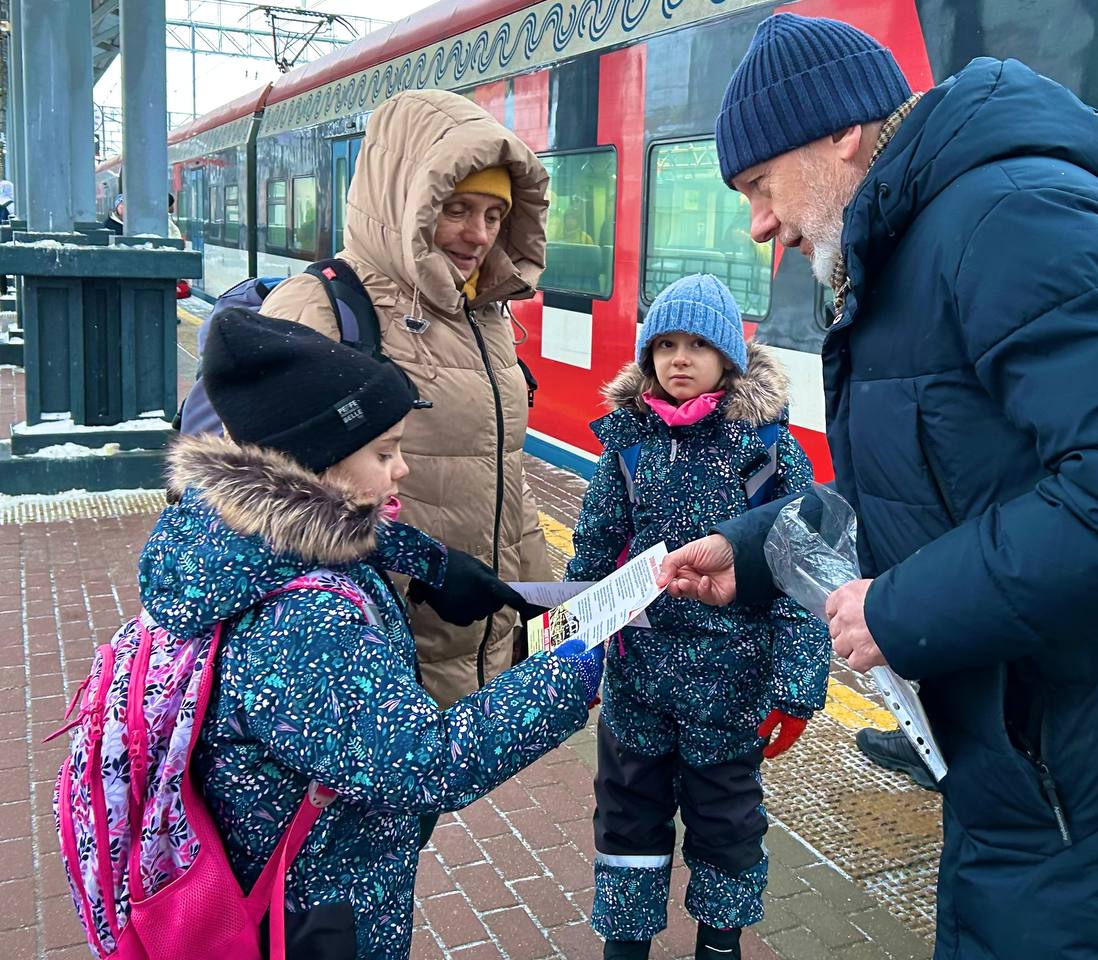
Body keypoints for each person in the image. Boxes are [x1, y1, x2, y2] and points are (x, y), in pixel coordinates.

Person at [660, 13, 1098, 958]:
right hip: (1040, 768)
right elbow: (918, 486)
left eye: (759, 185)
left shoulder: (1008, 217)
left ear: (841, 133)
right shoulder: (916, 242)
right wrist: (749, 553)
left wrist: (902, 611)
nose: (759, 225)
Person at [140, 308, 603, 960]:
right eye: (384, 453)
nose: (402, 469)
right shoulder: (303, 630)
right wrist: (576, 666)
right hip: (316, 915)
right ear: (316, 469)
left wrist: (435, 565)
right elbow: (427, 762)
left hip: (306, 877)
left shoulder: (245, 537)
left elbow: (329, 538)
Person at [261, 89, 554, 707]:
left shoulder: (485, 314)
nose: (478, 235)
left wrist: (537, 602)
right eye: (456, 209)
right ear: (405, 201)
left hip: (478, 644)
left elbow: (504, 472)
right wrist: (425, 565)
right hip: (373, 656)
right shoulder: (320, 309)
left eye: (494, 215)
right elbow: (267, 504)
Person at [567, 275, 828, 960]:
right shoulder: (627, 443)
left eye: (699, 345)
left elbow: (803, 574)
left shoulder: (767, 451)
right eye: (665, 345)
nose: (679, 359)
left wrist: (798, 686)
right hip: (637, 682)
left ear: (729, 357)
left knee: (727, 825)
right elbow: (593, 552)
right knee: (626, 819)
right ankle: (626, 943)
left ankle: (720, 945)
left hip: (731, 687)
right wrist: (571, 655)